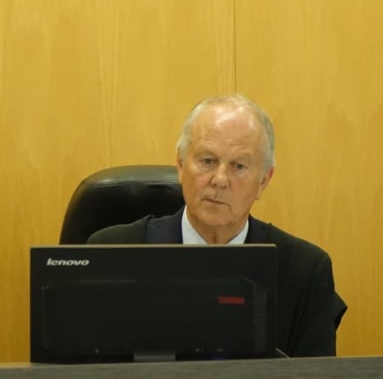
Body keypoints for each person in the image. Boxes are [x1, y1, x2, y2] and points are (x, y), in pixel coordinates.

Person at [87, 94, 348, 357]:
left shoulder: (304, 272)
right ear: (180, 165)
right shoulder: (109, 254)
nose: (220, 180)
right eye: (207, 161)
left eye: (239, 166)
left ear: (263, 181)